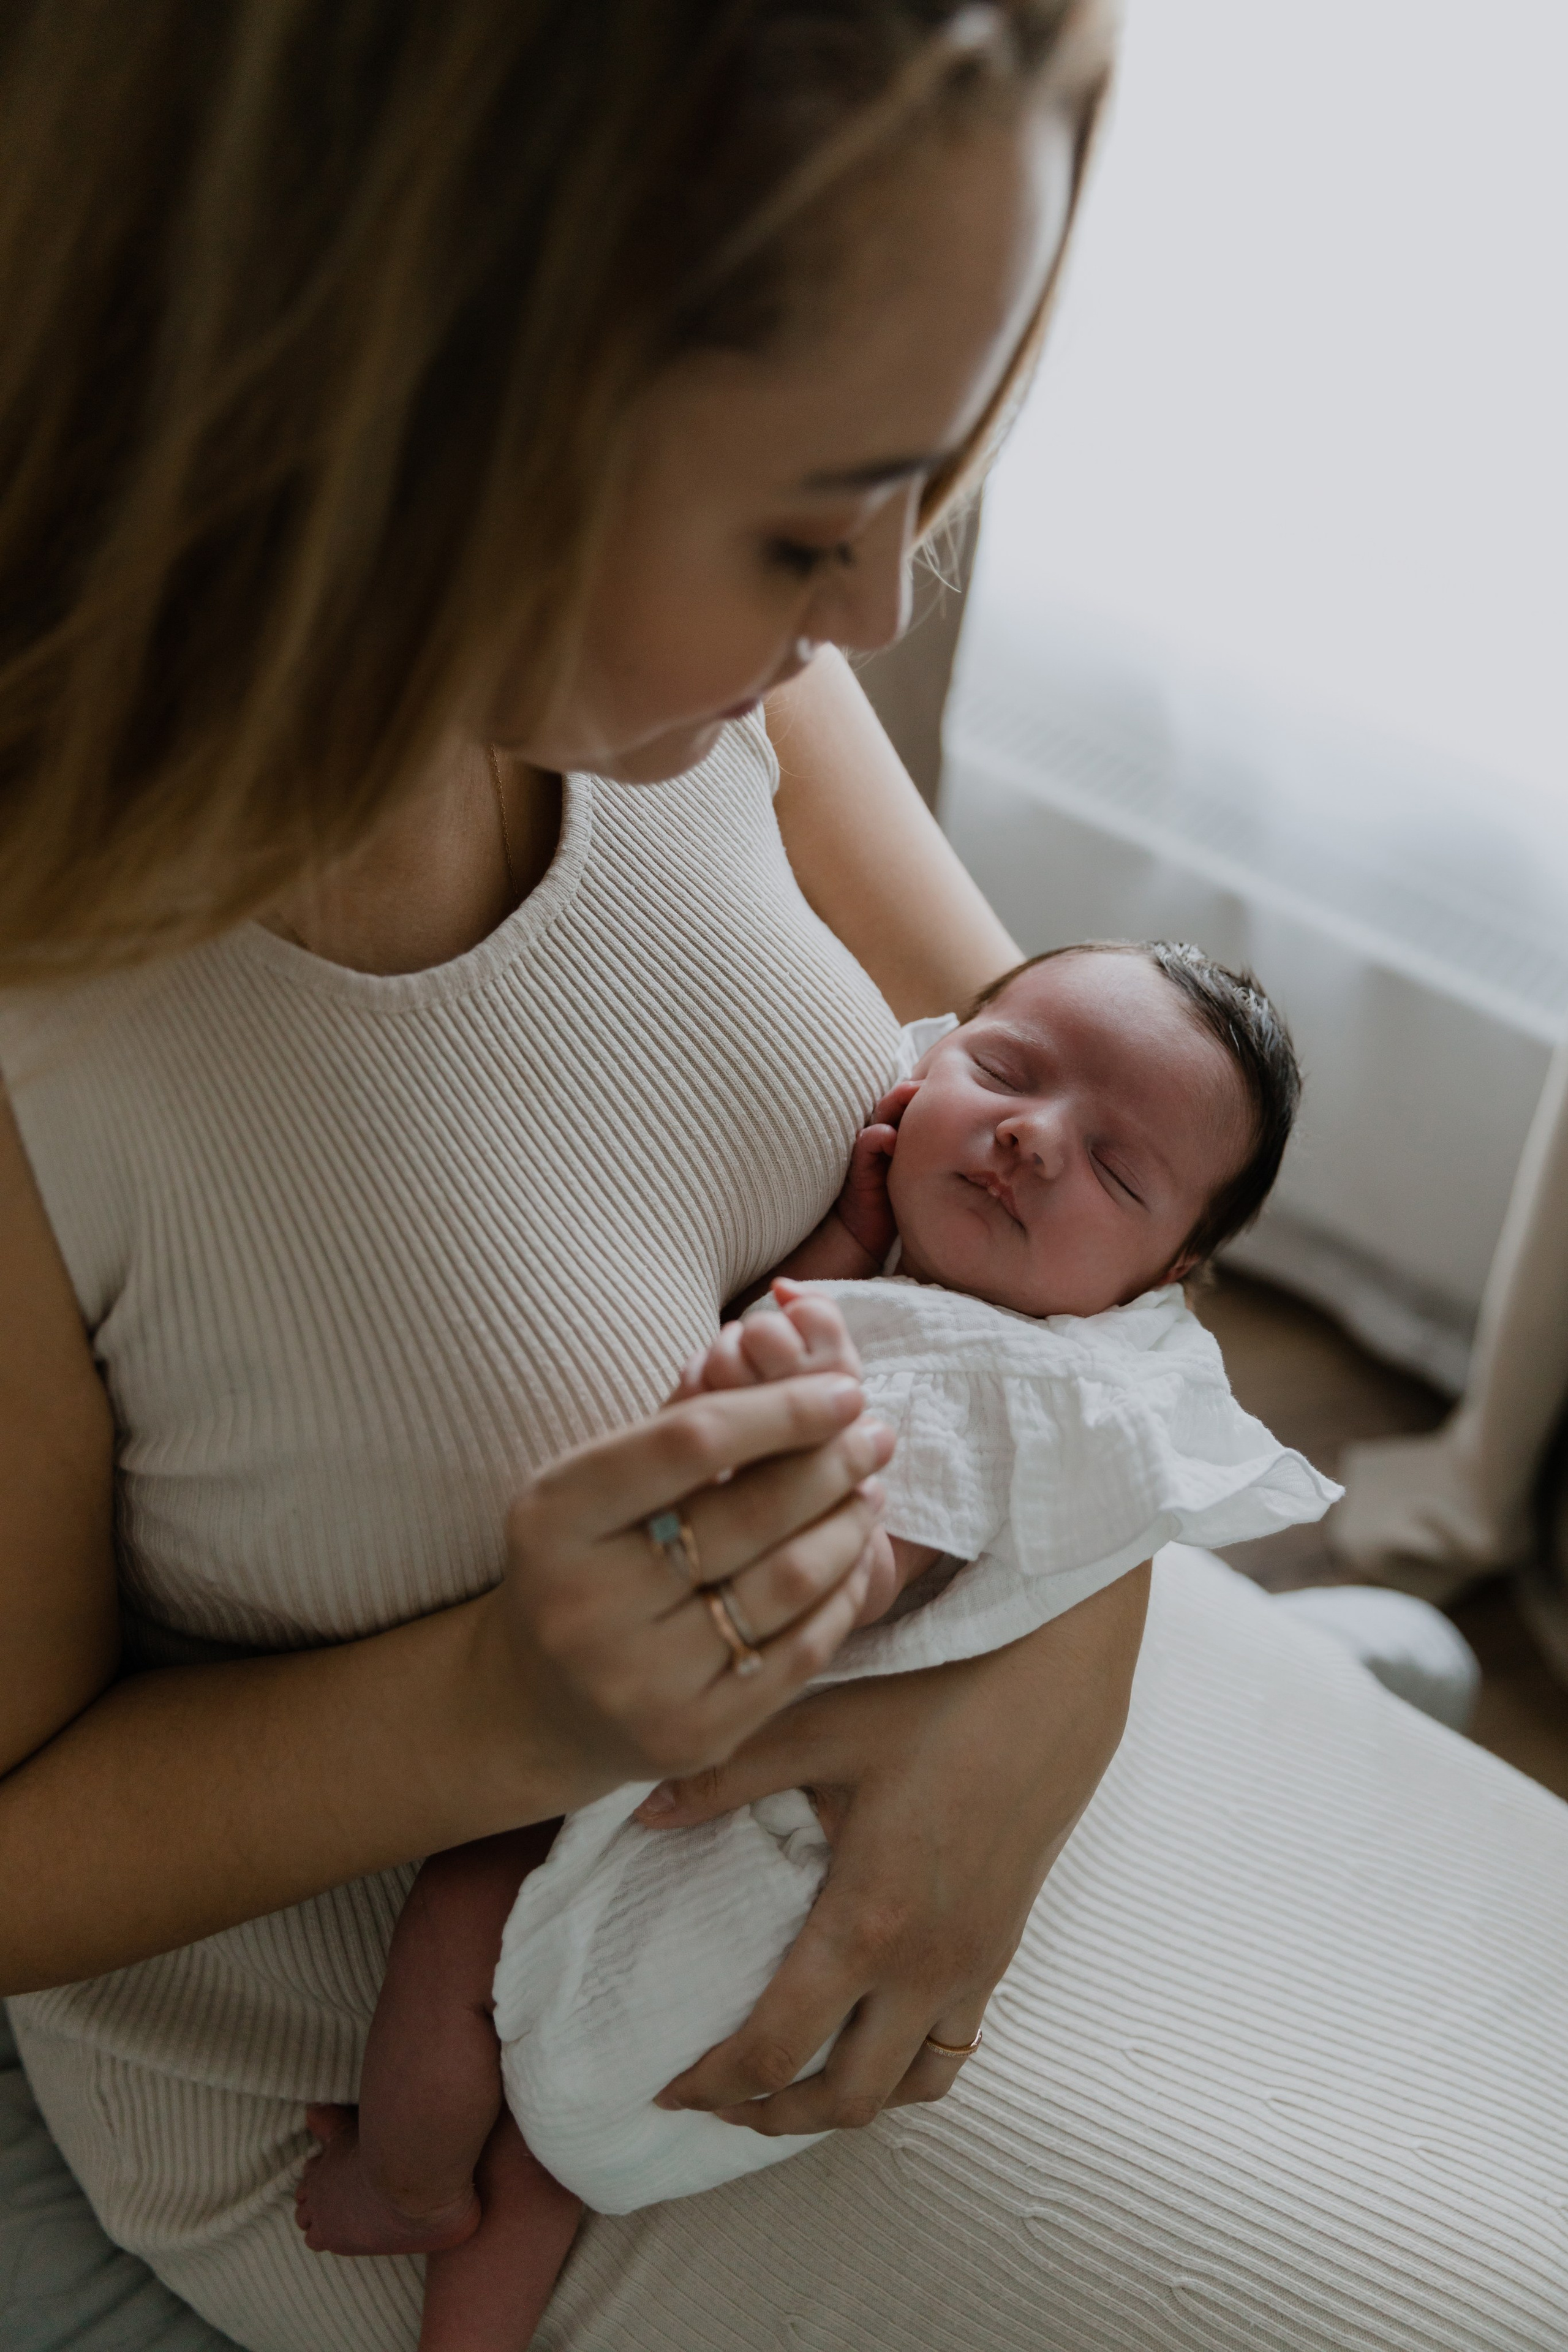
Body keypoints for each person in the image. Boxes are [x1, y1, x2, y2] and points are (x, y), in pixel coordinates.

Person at [1, 10, 1564, 2352]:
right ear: (410, 418)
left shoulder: (703, 690)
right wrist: (520, 1707)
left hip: (985, 1737)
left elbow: (1142, 1246)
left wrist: (1050, 1692)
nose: (877, 621)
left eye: (925, 490)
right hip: (480, 2105)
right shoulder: (55, 1031)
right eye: (814, 523)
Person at [291, 940, 1338, 2352]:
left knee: (466, 1905)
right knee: (545, 2157)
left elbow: (844, 1566)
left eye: (1115, 1170)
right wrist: (846, 1253)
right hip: (779, 1850)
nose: (1031, 1138)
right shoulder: (954, 1315)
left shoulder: (1013, 1393)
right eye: (1004, 1073)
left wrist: (797, 1500)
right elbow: (834, 1333)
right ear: (922, 1071)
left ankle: (403, 2184)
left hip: (763, 1855)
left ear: (1168, 1274)